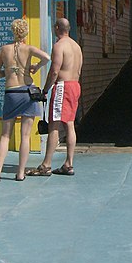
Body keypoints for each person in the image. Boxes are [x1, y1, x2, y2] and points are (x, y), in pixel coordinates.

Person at [0, 18, 50, 182]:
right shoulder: (28, 49)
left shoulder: (3, 49)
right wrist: (36, 67)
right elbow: (46, 57)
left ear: (13, 32)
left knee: (5, 135)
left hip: (11, 93)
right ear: (25, 33)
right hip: (27, 92)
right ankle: (20, 173)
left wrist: (7, 73)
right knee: (25, 136)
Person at [29, 18, 83, 177]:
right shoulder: (77, 47)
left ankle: (46, 164)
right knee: (70, 124)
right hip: (75, 85)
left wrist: (45, 89)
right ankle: (69, 163)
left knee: (54, 124)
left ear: (57, 28)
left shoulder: (59, 46)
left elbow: (54, 71)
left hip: (63, 86)